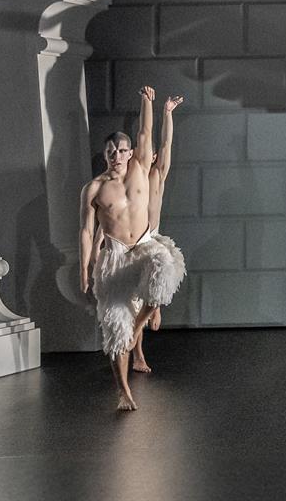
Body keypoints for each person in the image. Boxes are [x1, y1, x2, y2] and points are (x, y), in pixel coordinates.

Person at [77, 86, 186, 411]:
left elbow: (150, 136)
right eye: (111, 151)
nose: (116, 156)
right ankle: (123, 390)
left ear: (130, 153)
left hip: (144, 245)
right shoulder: (94, 188)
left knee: (165, 265)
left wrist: (149, 103)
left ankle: (142, 324)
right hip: (114, 256)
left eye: (121, 150)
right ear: (105, 154)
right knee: (115, 327)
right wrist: (84, 268)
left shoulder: (143, 170)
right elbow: (88, 230)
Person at [131, 92, 186, 372]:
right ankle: (138, 354)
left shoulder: (157, 174)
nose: (150, 156)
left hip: (153, 238)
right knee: (135, 299)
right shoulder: (135, 178)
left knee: (160, 280)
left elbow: (166, 144)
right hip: (135, 241)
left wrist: (167, 113)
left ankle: (157, 307)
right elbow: (145, 138)